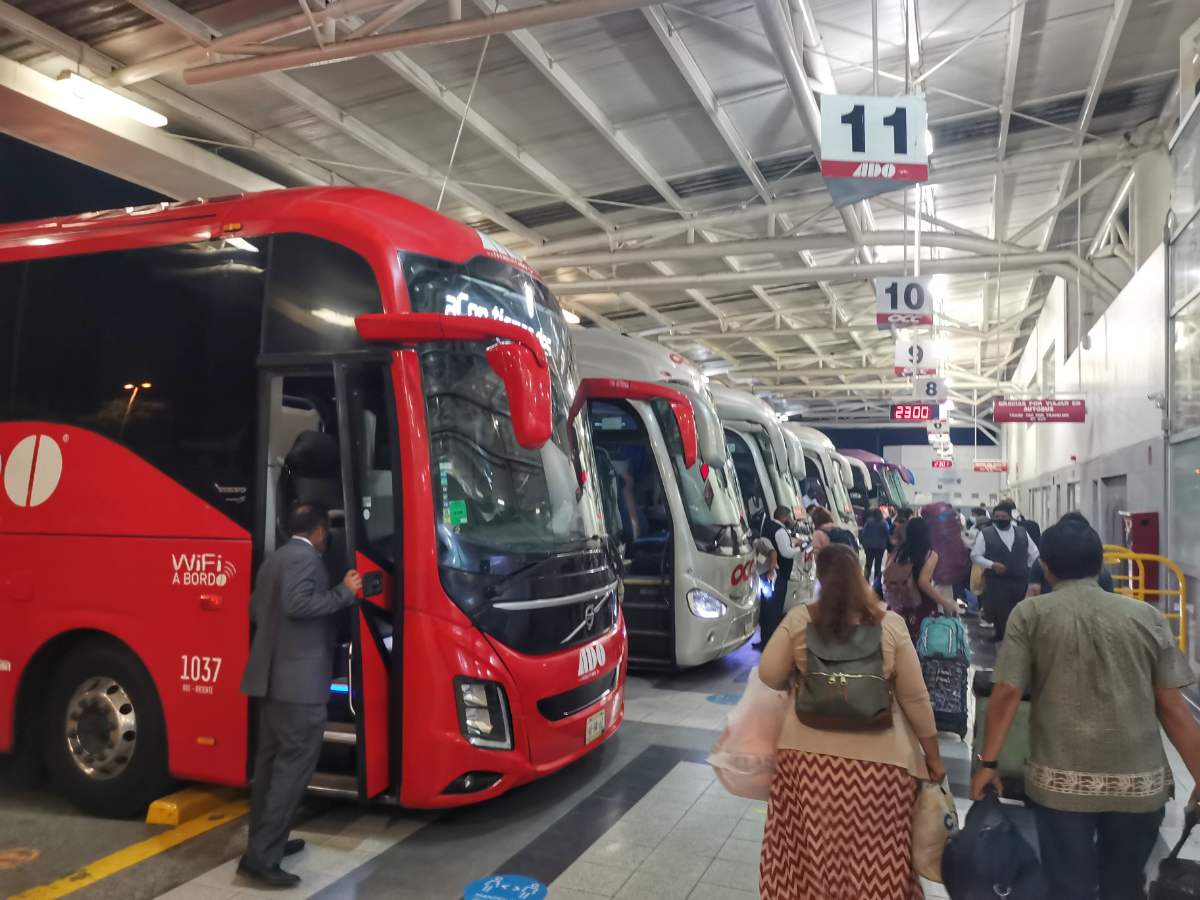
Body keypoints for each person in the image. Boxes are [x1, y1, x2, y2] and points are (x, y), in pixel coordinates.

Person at [971, 517, 1200, 900]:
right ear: (1100, 565)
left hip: (1061, 788)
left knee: (1067, 886)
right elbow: (1173, 708)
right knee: (1124, 887)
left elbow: (1007, 694)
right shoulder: (1147, 617)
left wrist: (988, 764)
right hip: (1139, 788)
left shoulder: (1030, 615)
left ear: (1045, 566)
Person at [759, 544, 945, 899]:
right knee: (876, 861)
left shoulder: (801, 619)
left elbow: (768, 674)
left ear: (820, 578)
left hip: (807, 766)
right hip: (883, 772)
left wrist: (797, 677)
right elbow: (917, 699)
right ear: (861, 577)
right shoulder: (890, 624)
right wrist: (934, 759)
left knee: (808, 859)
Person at [239, 501, 363, 888]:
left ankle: (261, 844)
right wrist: (344, 593)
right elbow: (297, 604)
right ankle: (263, 858)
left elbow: (257, 610)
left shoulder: (274, 559)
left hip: (271, 682)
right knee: (292, 772)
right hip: (300, 687)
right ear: (321, 532)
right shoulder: (308, 560)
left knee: (269, 769)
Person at [970, 500, 1039, 641]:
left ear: (1010, 518)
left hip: (1020, 581)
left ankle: (1019, 638)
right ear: (993, 518)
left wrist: (1025, 568)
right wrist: (991, 564)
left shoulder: (1022, 533)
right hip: (997, 581)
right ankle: (1001, 635)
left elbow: (1034, 553)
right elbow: (975, 556)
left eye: (1004, 517)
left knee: (1019, 611)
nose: (1000, 520)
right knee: (999, 611)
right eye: (997, 517)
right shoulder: (986, 534)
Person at [885, 517, 958, 645]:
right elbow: (923, 582)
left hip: (900, 602)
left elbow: (887, 572)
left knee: (900, 643)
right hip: (922, 604)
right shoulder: (930, 554)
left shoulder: (899, 552)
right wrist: (944, 602)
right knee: (921, 644)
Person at [754, 505, 801, 649]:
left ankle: (764, 641)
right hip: (776, 573)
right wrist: (801, 548)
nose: (791, 520)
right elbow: (784, 552)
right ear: (784, 517)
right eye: (790, 517)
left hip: (765, 572)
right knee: (775, 609)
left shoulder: (768, 526)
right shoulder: (780, 531)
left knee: (767, 608)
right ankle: (771, 644)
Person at [861, 508, 889, 584]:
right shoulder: (884, 522)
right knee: (878, 565)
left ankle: (865, 580)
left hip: (869, 546)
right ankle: (877, 581)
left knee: (868, 564)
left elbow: (864, 532)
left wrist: (864, 542)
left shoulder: (869, 522)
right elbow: (887, 533)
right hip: (880, 547)